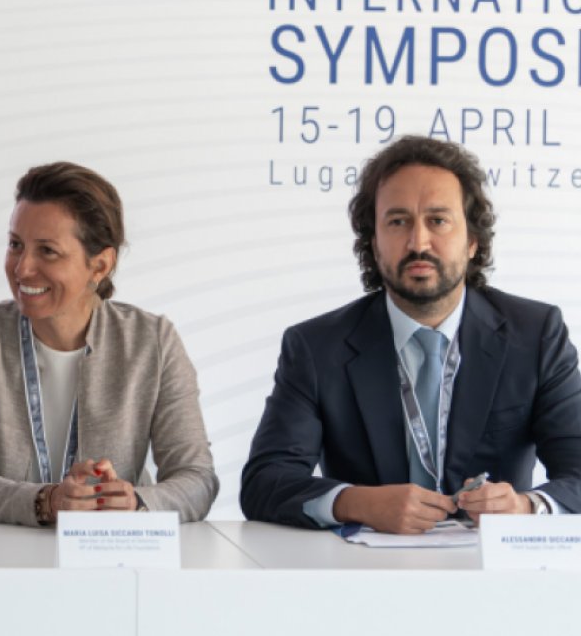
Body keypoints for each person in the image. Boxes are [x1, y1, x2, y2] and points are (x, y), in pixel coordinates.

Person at [242, 136, 581, 532]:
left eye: (438, 221)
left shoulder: (536, 335)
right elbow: (265, 482)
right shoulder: (317, 347)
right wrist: (358, 502)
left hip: (491, 564)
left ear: (472, 241)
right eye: (398, 222)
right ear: (374, 243)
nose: (418, 242)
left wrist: (526, 507)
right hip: (364, 564)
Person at [0, 162, 218, 526]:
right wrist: (48, 501)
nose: (22, 268)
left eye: (47, 251)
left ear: (100, 265)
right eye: (16, 245)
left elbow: (197, 478)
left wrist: (137, 503)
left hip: (109, 555)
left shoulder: (152, 342)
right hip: (0, 555)